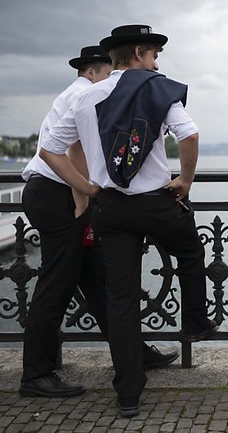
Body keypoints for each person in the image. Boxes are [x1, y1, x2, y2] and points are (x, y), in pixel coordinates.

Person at [39, 25, 218, 417]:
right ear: (139, 52)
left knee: (120, 299)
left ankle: (128, 394)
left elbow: (51, 150)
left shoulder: (86, 96)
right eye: (154, 54)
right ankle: (195, 323)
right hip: (154, 203)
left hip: (111, 209)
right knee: (190, 250)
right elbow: (189, 136)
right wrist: (185, 180)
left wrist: (88, 186)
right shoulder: (156, 87)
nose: (156, 63)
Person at [18, 46, 180, 400]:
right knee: (55, 284)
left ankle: (133, 355)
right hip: (57, 195)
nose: (114, 82)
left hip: (58, 194)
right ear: (93, 72)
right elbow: (69, 150)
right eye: (109, 73)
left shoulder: (79, 94)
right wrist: (87, 192)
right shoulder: (85, 95)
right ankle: (35, 374)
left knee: (99, 281)